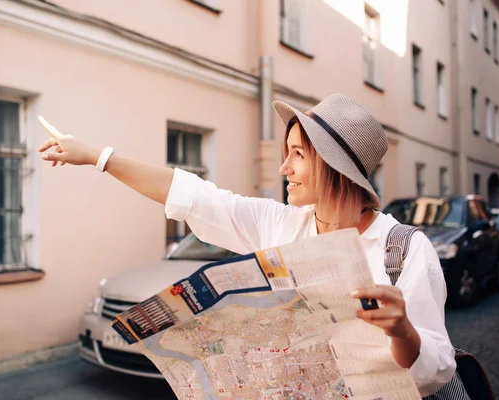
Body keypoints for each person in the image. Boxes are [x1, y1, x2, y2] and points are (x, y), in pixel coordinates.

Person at [38, 93, 456, 397]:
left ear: (333, 167)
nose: (283, 168)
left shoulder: (404, 249)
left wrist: (403, 332)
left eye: (297, 155)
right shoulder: (280, 224)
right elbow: (193, 196)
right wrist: (98, 157)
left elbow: (435, 370)